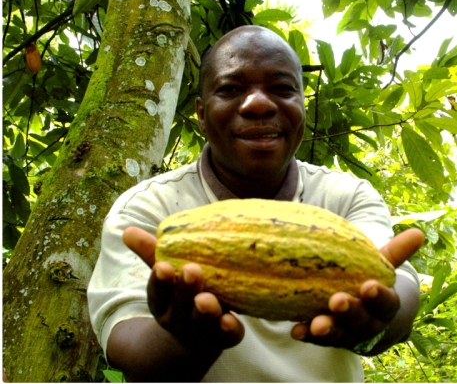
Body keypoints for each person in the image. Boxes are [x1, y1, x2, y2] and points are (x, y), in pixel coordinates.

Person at [87, 25, 424, 382]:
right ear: (201, 114)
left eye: (281, 89)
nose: (258, 104)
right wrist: (186, 341)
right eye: (231, 89)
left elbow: (395, 283)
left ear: (302, 107)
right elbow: (126, 342)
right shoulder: (148, 210)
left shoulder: (345, 195)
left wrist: (379, 317)